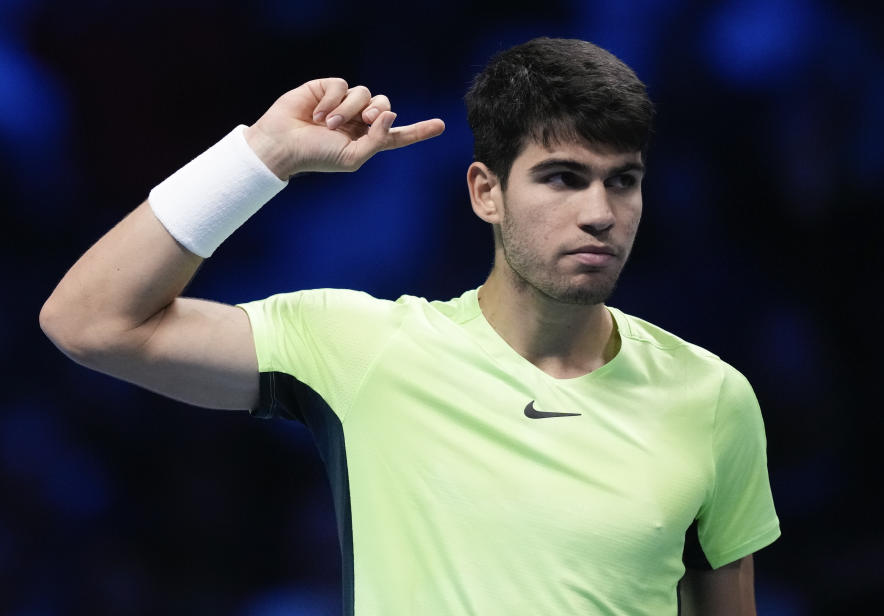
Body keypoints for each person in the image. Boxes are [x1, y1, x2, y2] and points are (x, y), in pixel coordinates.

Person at [40, 38, 780, 615]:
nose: (600, 212)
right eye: (563, 177)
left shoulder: (713, 398)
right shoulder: (360, 349)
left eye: (624, 180)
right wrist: (262, 156)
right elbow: (90, 321)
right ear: (485, 192)